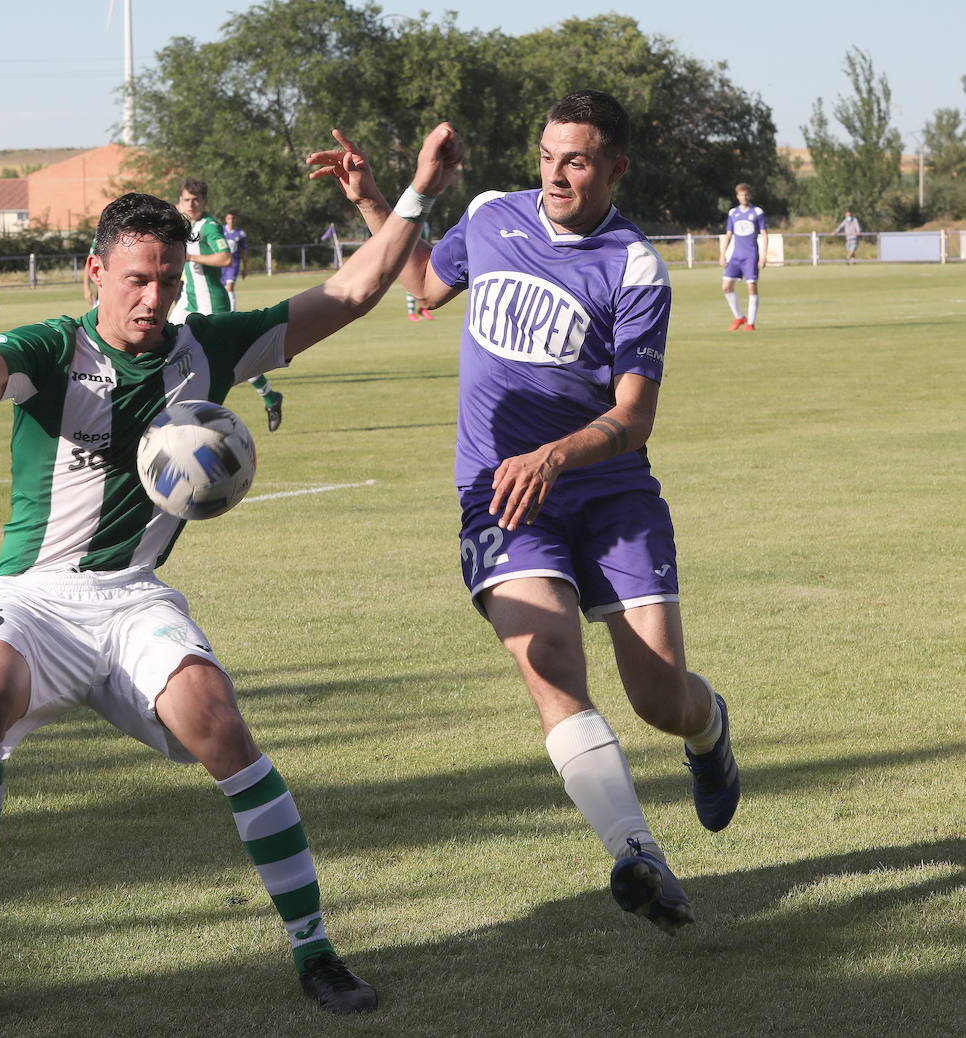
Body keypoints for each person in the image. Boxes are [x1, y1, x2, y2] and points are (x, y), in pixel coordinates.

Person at [0, 123, 465, 1013]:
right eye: (137, 279)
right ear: (96, 274)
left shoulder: (205, 346)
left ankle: (314, 950)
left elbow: (355, 291)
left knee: (218, 719)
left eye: (168, 280)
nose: (154, 297)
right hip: (36, 597)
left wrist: (415, 191)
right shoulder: (54, 351)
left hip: (133, 597)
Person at [310, 90, 739, 936]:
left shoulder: (634, 266)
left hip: (610, 493)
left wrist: (556, 454)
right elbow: (426, 284)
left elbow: (635, 416)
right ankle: (637, 853)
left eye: (576, 160)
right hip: (500, 495)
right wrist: (374, 197)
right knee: (549, 663)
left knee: (659, 699)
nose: (555, 175)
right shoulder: (490, 214)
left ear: (615, 165)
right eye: (547, 155)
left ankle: (710, 726)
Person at [169, 179, 284, 433]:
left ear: (205, 202)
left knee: (238, 357)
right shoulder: (184, 225)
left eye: (196, 200)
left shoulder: (209, 227)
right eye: (187, 199)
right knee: (164, 346)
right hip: (188, 301)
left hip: (212, 301)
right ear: (180, 201)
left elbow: (224, 257)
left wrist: (192, 257)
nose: (191, 204)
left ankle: (270, 397)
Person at [719, 183, 767, 331]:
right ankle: (740, 317)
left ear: (749, 195)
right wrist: (722, 254)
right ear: (737, 196)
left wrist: (763, 256)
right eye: (741, 194)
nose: (744, 197)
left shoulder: (757, 212)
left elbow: (764, 234)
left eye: (746, 194)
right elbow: (728, 235)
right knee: (726, 287)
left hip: (750, 256)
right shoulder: (733, 213)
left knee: (751, 287)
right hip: (735, 256)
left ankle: (750, 323)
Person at [222, 209, 248, 310]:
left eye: (233, 218)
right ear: (226, 219)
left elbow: (244, 252)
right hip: (221, 264)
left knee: (229, 287)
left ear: (235, 219)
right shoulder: (221, 230)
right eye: (229, 218)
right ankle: (223, 310)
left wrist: (245, 268)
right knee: (222, 288)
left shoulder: (240, 234)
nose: (231, 220)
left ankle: (232, 312)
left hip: (233, 264)